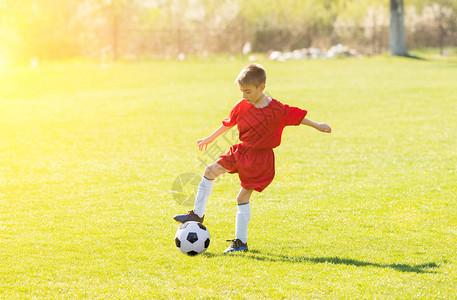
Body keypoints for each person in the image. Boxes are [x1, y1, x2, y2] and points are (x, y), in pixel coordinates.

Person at [173, 63, 331, 253]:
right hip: (241, 151)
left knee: (241, 197)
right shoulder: (241, 105)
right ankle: (197, 215)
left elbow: (297, 117)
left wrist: (318, 125)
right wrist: (209, 138)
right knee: (209, 171)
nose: (243, 96)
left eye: (247, 91)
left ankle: (241, 243)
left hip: (260, 160)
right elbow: (228, 123)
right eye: (241, 91)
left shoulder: (276, 109)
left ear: (261, 88)